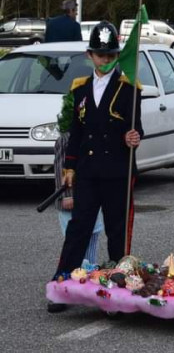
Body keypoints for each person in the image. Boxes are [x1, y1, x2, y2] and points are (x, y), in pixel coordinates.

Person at [49, 21, 143, 312]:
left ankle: (117, 288)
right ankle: (62, 282)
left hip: (117, 169)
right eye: (100, 55)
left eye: (110, 55)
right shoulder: (81, 90)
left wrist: (132, 138)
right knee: (79, 228)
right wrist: (70, 169)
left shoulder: (129, 88)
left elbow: (136, 128)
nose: (105, 60)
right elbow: (76, 134)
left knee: (117, 232)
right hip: (89, 172)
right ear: (90, 55)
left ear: (117, 56)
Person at [53, 95, 103, 266]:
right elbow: (62, 167)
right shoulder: (66, 140)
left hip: (91, 195)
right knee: (76, 237)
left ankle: (89, 269)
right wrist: (67, 194)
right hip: (72, 198)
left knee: (94, 233)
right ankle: (77, 273)